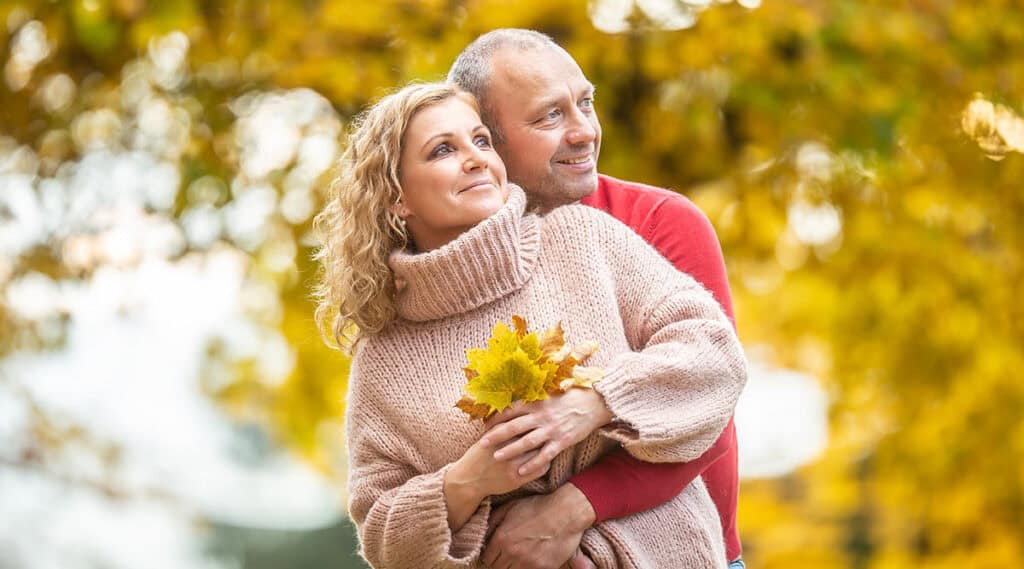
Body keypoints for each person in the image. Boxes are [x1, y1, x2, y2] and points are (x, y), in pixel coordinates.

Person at [314, 82, 747, 568]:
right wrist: (468, 481)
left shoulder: (583, 239)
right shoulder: (384, 357)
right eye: (442, 150)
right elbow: (382, 535)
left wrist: (598, 402)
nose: (476, 159)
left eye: (481, 141)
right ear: (396, 198)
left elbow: (714, 354)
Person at [446, 29, 745, 569]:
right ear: (484, 139)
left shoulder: (659, 221)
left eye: (586, 102)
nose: (584, 131)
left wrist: (569, 511)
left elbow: (711, 409)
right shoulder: (448, 264)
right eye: (550, 117)